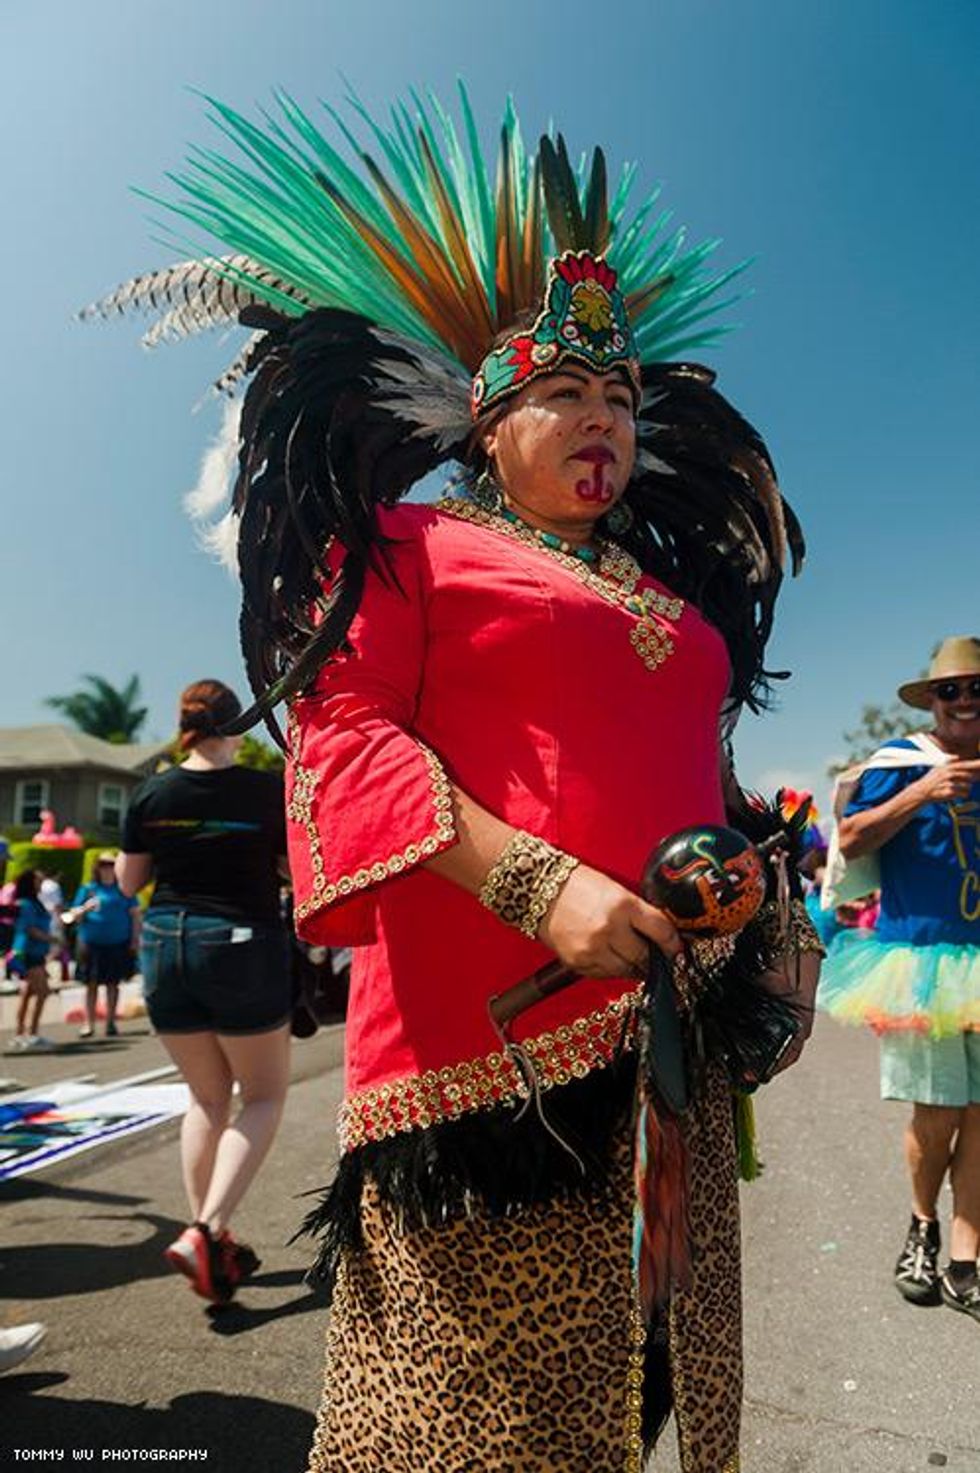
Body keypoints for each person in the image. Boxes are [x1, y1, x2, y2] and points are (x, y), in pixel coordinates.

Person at [94, 88, 821, 1473]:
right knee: (468, 1425)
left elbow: (698, 772)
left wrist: (741, 881)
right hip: (484, 1063)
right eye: (564, 393)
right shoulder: (406, 548)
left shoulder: (663, 593)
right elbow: (347, 740)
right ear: (488, 425)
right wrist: (534, 883)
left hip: (661, 1048)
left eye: (620, 396)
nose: (603, 418)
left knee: (641, 1380)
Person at [819, 636, 980, 1321]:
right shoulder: (901, 762)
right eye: (952, 690)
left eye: (977, 688)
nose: (966, 700)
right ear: (932, 700)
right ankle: (922, 1223)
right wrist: (923, 791)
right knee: (939, 1112)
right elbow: (849, 839)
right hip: (922, 962)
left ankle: (967, 1262)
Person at [116, 679, 291, 1307]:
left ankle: (208, 1244)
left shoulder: (152, 791)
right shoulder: (267, 792)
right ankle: (208, 1229)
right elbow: (295, 870)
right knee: (265, 1096)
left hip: (165, 945)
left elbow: (130, 879)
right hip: (240, 944)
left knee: (206, 1100)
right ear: (236, 728)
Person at [66, 854, 140, 1037]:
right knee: (90, 984)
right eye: (103, 865)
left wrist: (135, 940)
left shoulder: (124, 890)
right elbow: (72, 915)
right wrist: (84, 909)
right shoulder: (88, 889)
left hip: (117, 942)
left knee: (113, 983)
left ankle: (110, 1022)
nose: (106, 868)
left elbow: (135, 916)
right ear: (97, 868)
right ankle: (89, 1023)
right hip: (91, 942)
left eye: (110, 865)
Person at [7, 871, 54, 1052]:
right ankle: (32, 1033)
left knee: (28, 993)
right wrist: (53, 940)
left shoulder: (35, 902)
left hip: (35, 953)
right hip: (29, 952)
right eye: (38, 879)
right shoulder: (26, 904)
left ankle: (21, 1034)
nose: (42, 882)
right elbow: (30, 929)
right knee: (43, 992)